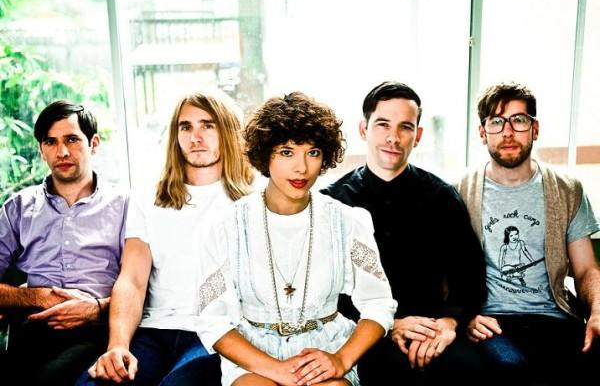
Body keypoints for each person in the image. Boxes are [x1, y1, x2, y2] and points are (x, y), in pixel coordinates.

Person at [196, 92, 397, 386]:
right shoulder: (226, 226)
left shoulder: (347, 221)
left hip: (325, 351)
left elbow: (378, 304)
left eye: (313, 152)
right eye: (287, 152)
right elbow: (212, 320)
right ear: (265, 155)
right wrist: (276, 370)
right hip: (254, 357)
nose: (302, 167)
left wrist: (341, 359)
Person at [81, 91, 254, 385]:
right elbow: (132, 280)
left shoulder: (254, 201)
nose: (195, 137)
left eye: (208, 125)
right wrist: (118, 345)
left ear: (228, 130)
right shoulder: (149, 200)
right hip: (154, 330)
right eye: (185, 127)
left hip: (218, 334)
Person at [322, 81, 487, 384]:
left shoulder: (442, 197)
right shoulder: (332, 202)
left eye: (405, 127)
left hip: (431, 329)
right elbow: (324, 288)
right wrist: (386, 325)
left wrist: (449, 322)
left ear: (418, 136)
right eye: (383, 124)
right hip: (361, 331)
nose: (393, 138)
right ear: (363, 129)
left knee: (466, 370)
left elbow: (470, 275)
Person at [458, 82, 600, 383]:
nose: (508, 132)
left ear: (535, 129)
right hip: (491, 321)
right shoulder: (459, 192)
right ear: (483, 133)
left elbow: (586, 269)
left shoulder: (568, 190)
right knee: (510, 368)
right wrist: (463, 316)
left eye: (519, 120)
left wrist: (598, 312)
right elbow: (445, 272)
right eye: (496, 122)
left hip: (555, 317)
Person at [0, 100, 128, 385]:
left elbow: (147, 286)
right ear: (41, 150)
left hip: (101, 330)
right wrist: (37, 296)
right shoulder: (18, 208)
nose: (62, 152)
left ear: (94, 144)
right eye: (51, 142)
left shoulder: (125, 206)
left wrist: (98, 307)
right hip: (33, 330)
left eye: (72, 139)